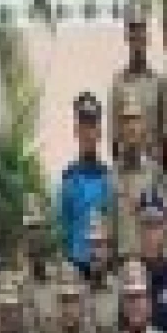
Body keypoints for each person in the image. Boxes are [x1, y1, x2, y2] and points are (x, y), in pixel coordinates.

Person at [57, 92, 115, 270]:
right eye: (83, 127)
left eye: (92, 127)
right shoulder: (68, 177)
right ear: (76, 131)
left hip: (104, 266)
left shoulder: (109, 177)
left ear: (99, 133)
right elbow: (63, 226)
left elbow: (112, 224)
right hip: (75, 266)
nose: (88, 134)